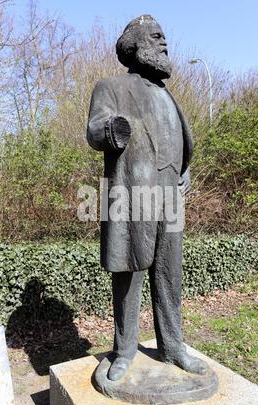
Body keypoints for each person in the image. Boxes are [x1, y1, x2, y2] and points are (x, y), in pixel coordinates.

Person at [87, 15, 207, 381]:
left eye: (165, 38)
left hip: (170, 197)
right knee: (129, 274)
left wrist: (182, 171)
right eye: (156, 37)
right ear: (135, 45)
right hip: (132, 194)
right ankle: (124, 351)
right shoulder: (110, 86)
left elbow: (177, 140)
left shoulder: (167, 94)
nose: (164, 43)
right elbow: (94, 130)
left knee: (170, 274)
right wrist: (112, 130)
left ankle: (172, 346)